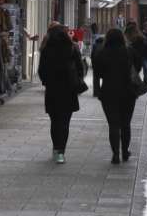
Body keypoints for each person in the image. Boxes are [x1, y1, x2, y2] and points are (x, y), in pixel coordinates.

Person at [38, 25, 84, 163]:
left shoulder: (46, 49)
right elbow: (80, 67)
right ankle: (61, 152)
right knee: (65, 123)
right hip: (69, 90)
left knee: (55, 121)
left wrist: (47, 82)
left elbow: (41, 70)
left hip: (52, 90)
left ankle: (55, 148)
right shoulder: (72, 47)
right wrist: (77, 81)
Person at [94, 28, 136, 164]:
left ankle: (115, 154)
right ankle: (125, 151)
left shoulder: (102, 52)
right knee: (126, 123)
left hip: (108, 91)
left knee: (113, 124)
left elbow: (98, 72)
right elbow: (138, 66)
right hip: (128, 91)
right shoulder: (129, 51)